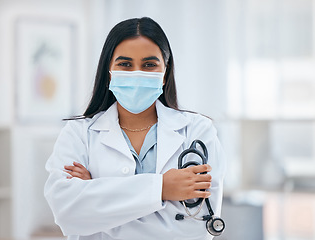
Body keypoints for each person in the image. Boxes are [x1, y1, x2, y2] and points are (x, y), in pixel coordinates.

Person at [44, 17, 226, 240]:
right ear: (108, 71)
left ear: (165, 72)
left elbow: (196, 230)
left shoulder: (198, 131)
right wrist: (161, 189)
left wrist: (97, 198)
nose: (137, 73)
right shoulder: (78, 133)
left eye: (149, 64)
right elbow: (67, 214)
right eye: (125, 64)